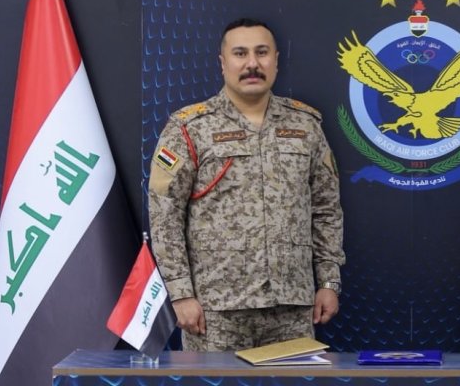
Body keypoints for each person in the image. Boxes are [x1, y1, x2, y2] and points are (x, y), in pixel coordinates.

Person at [148, 18, 345, 351]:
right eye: (240, 53)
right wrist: (180, 293)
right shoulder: (189, 128)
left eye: (261, 53)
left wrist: (328, 281)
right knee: (214, 379)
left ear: (276, 61)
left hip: (292, 307)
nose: (252, 63)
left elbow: (326, 209)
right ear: (223, 62)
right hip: (215, 310)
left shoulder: (305, 125)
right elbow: (165, 215)